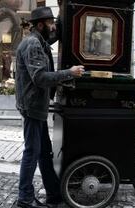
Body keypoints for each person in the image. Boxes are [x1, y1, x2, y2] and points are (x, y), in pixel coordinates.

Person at [15, 7, 85, 208]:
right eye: (50, 23)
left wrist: (62, 24)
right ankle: (25, 198)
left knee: (43, 152)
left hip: (36, 106)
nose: (53, 27)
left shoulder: (39, 41)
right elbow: (40, 78)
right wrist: (69, 73)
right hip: (32, 107)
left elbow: (52, 37)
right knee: (32, 152)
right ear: (40, 25)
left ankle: (54, 193)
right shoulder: (33, 44)